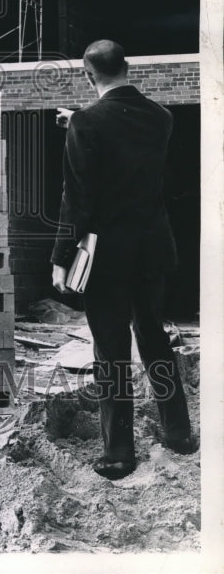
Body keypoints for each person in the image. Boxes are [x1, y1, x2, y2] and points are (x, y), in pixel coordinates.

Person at [51, 40, 195, 481]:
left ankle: (118, 454)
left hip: (106, 255)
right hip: (151, 248)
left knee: (110, 351)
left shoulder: (88, 124)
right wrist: (80, 122)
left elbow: (78, 199)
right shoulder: (163, 118)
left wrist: (61, 257)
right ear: (128, 66)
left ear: (87, 76)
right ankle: (179, 433)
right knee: (154, 339)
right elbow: (130, 147)